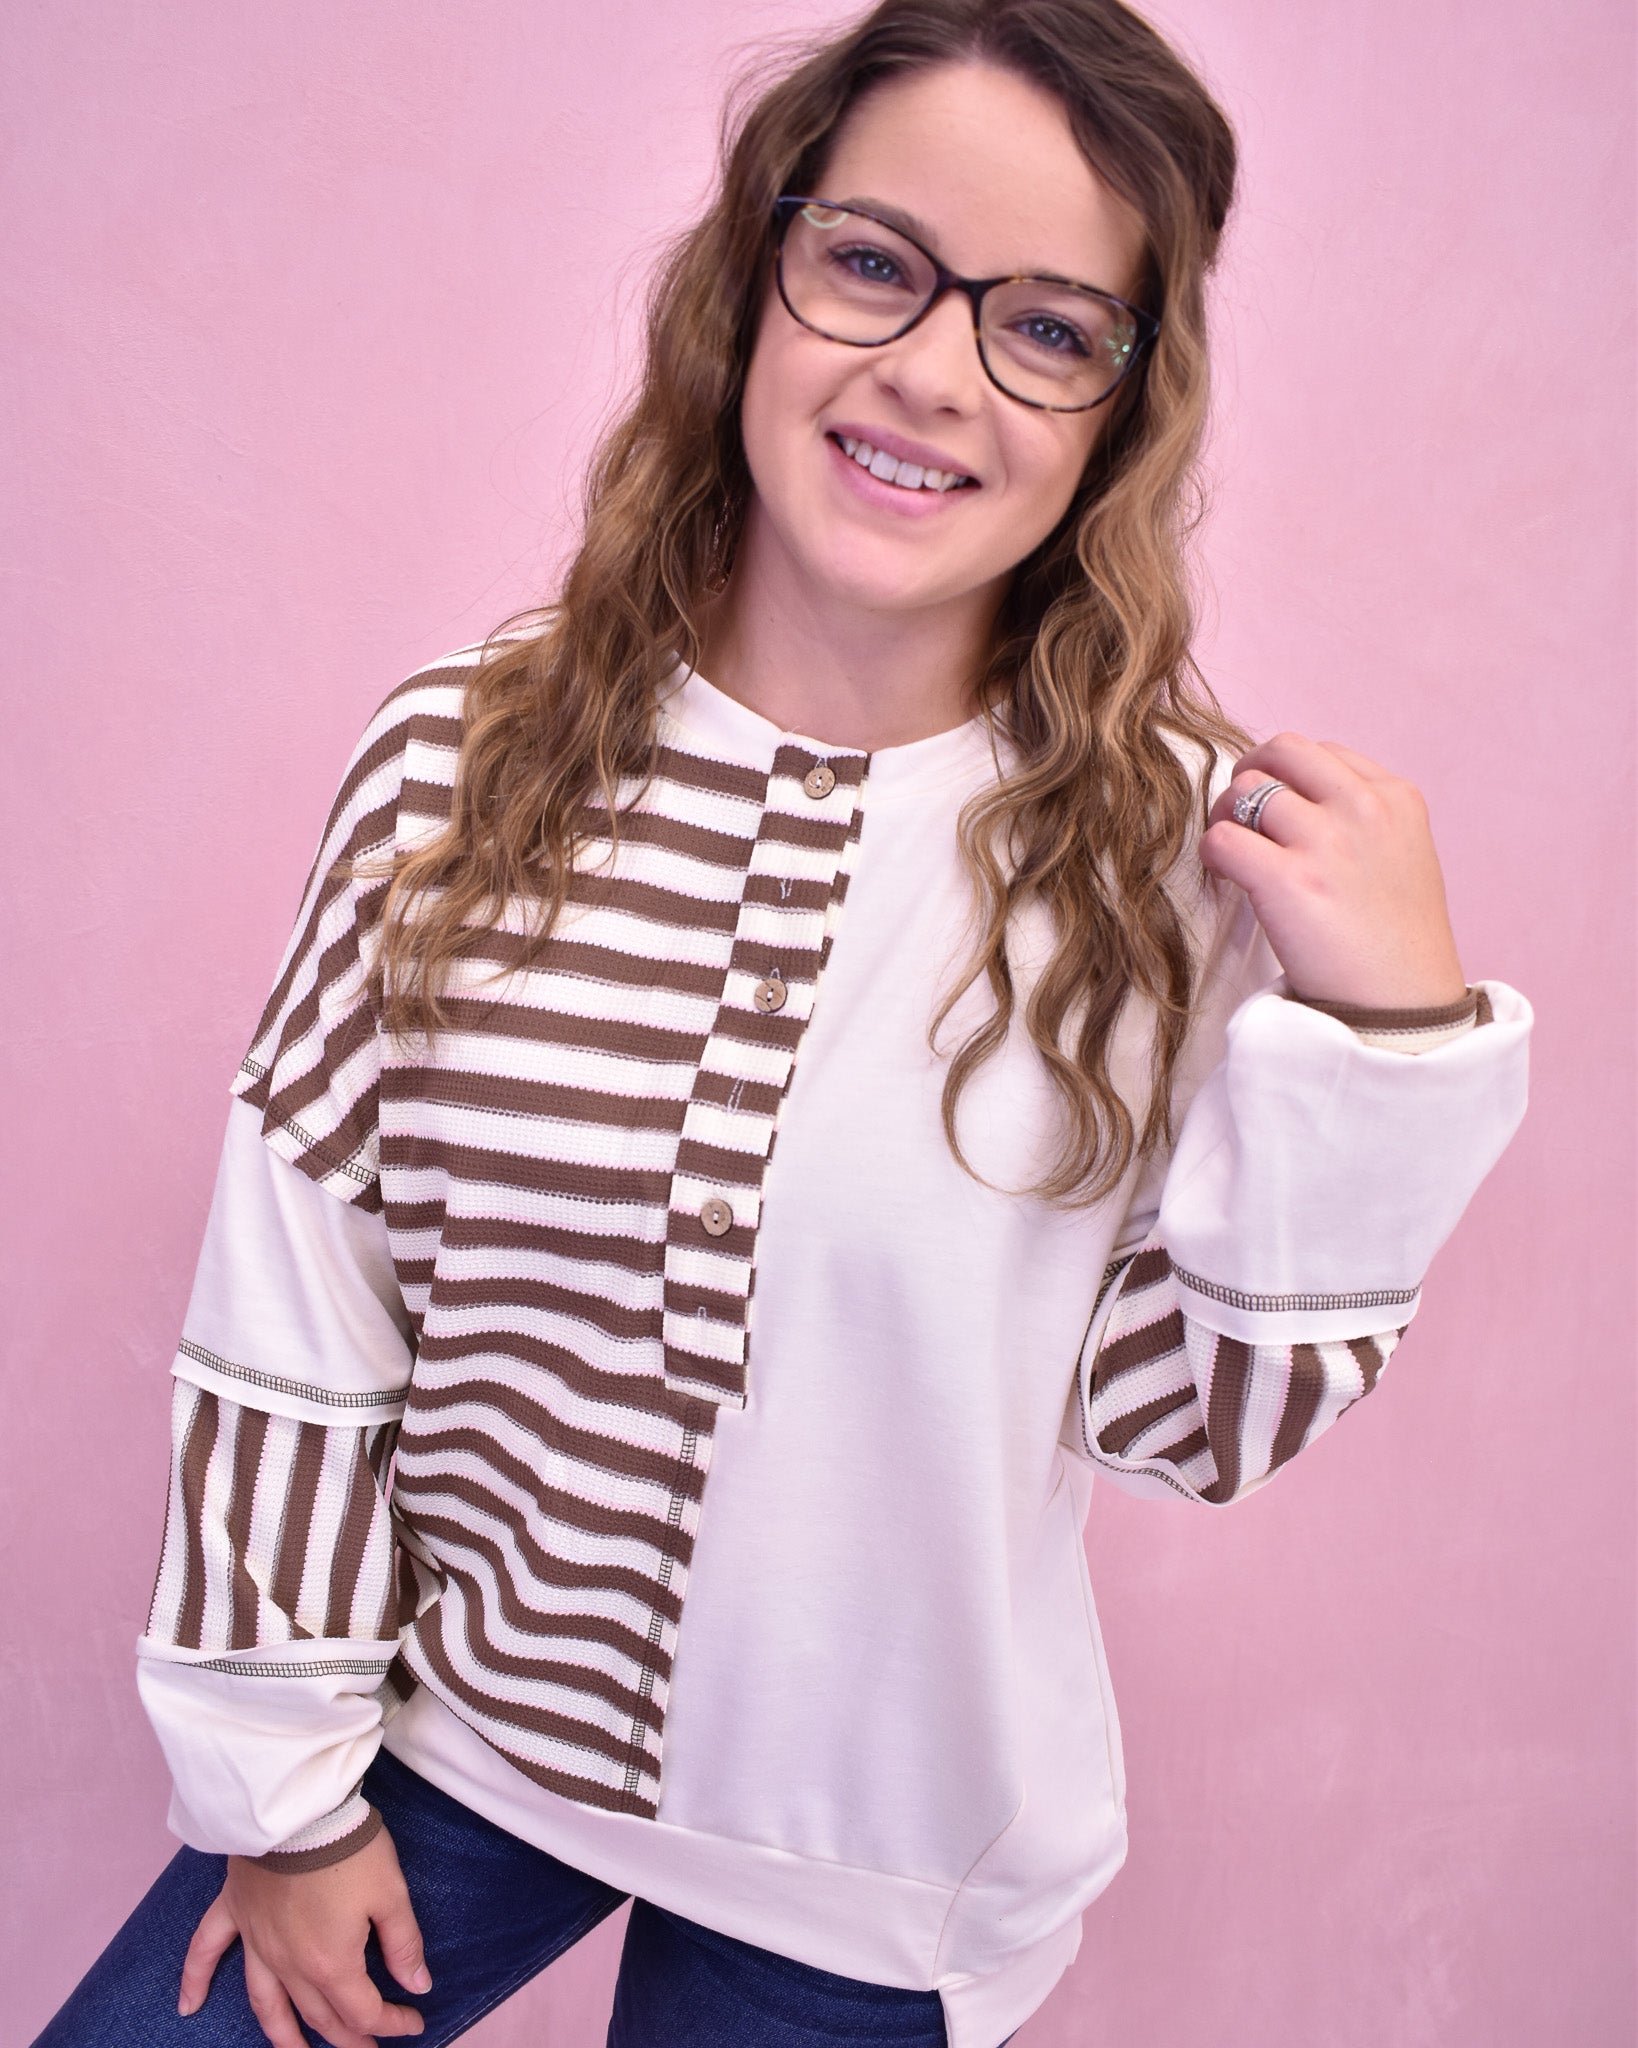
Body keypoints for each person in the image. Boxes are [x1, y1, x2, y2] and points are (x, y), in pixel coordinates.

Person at [36, 1, 1532, 2043]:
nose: (930, 371)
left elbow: (1182, 1426)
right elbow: (306, 1293)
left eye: (1047, 327)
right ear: (758, 271)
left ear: (1120, 405)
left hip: (870, 1850)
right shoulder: (459, 759)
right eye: (873, 263)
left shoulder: (1169, 864)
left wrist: (1393, 1036)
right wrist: (278, 1801)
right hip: (455, 1737)